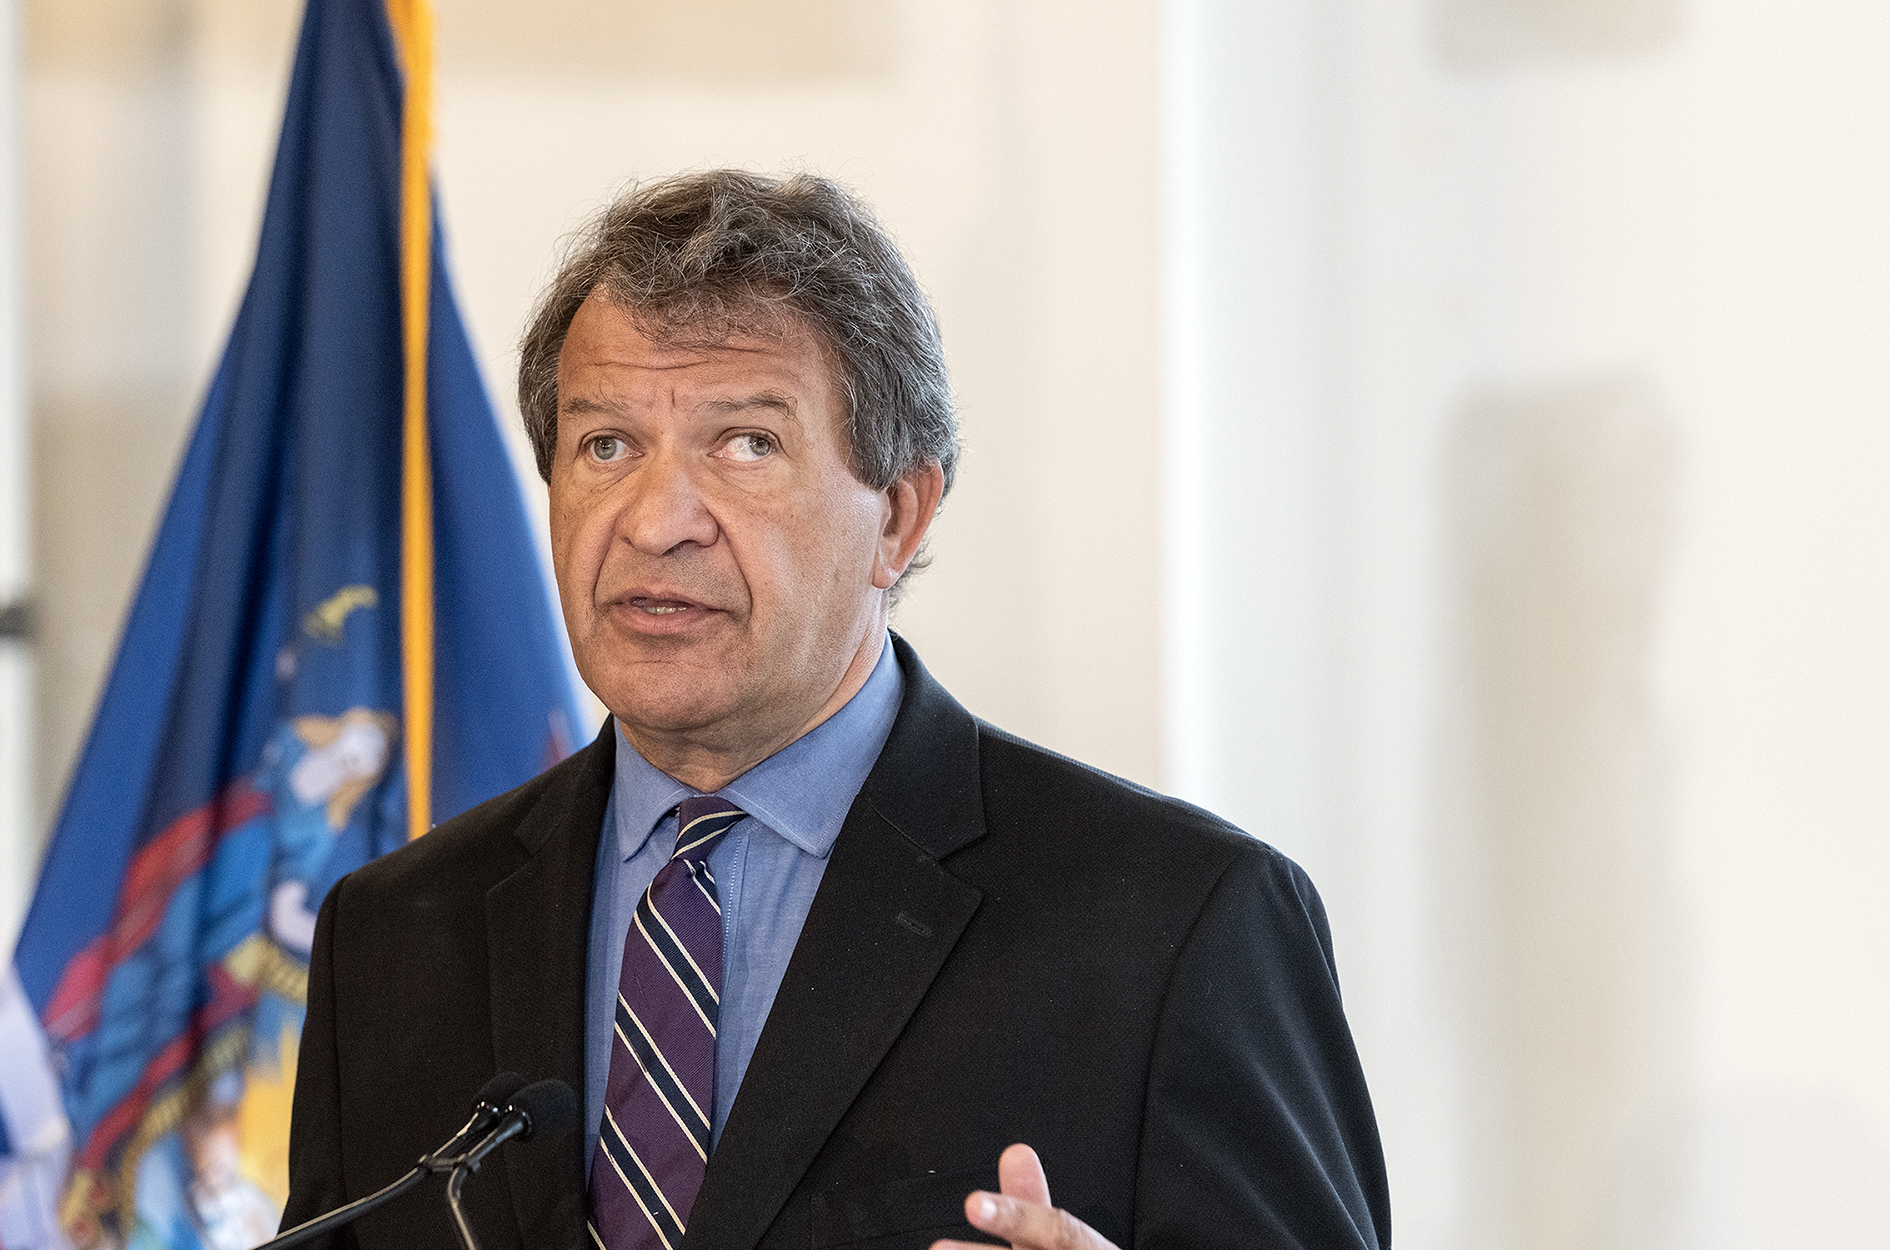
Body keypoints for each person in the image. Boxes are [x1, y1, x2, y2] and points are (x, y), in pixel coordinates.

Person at [279, 170, 1388, 1250]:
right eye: (605, 443)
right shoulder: (392, 935)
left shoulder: (1174, 925)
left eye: (746, 443)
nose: (656, 518)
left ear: (898, 517)